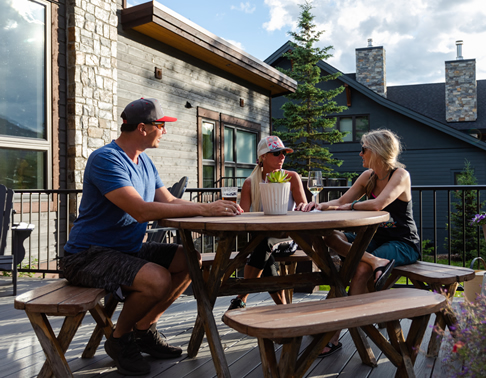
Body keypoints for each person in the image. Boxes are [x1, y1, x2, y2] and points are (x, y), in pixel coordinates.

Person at [60, 98, 243, 376]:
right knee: (157, 279)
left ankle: (144, 328)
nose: (164, 132)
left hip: (126, 249)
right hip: (87, 255)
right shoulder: (106, 159)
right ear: (143, 128)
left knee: (189, 260)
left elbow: (169, 200)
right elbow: (140, 210)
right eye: (161, 126)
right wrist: (206, 208)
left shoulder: (144, 161)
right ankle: (120, 339)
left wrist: (216, 206)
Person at [298, 129, 421, 356]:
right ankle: (376, 261)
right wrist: (319, 205)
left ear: (376, 151)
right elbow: (342, 200)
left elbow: (378, 204)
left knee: (359, 266)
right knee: (331, 237)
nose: (360, 154)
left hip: (402, 241)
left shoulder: (400, 175)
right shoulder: (368, 177)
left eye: (363, 149)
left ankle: (333, 336)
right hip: (372, 239)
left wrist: (348, 208)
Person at [227, 136, 307, 310]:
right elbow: (242, 215)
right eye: (277, 153)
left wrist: (303, 207)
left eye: (284, 153)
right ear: (263, 157)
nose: (282, 157)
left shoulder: (291, 177)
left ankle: (241, 297)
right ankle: (284, 309)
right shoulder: (250, 183)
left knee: (262, 246)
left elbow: (303, 207)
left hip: (288, 237)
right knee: (264, 248)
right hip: (262, 238)